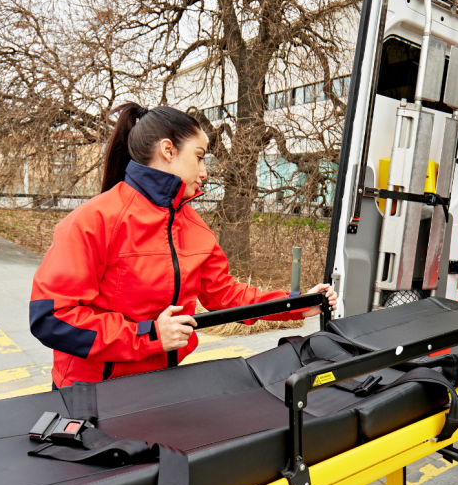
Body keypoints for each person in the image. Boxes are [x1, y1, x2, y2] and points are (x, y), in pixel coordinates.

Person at [30, 103, 337, 385]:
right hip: (91, 392)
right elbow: (51, 317)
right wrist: (147, 335)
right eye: (200, 156)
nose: (204, 172)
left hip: (163, 385)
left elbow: (225, 295)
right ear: (168, 150)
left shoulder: (193, 226)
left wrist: (295, 304)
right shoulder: (93, 220)